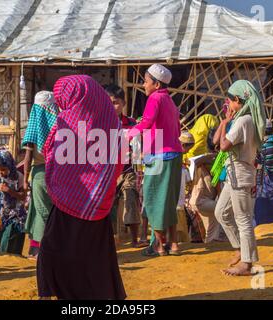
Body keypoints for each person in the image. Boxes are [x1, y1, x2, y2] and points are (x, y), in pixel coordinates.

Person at [37, 75, 126, 300]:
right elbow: (117, 162)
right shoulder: (111, 122)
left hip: (69, 203)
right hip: (98, 202)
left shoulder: (67, 122)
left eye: (62, 100)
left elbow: (51, 155)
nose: (61, 105)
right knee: (94, 258)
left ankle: (53, 294)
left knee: (52, 250)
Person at [128, 64, 183, 257]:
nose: (143, 85)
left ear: (157, 84)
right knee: (168, 202)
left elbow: (146, 122)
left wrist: (126, 136)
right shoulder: (169, 101)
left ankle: (159, 246)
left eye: (145, 81)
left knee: (153, 201)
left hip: (159, 157)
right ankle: (174, 244)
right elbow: (176, 129)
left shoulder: (155, 98)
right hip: (175, 154)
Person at [214, 80, 266, 276]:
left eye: (230, 101)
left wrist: (225, 122)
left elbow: (224, 146)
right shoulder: (248, 120)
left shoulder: (243, 121)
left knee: (243, 219)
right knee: (221, 212)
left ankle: (247, 262)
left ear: (237, 100)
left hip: (240, 175)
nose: (228, 105)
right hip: (235, 175)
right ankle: (240, 249)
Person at [105, 84, 146, 248]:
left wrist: (138, 171)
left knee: (131, 198)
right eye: (109, 102)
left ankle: (135, 239)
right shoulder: (100, 123)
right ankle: (110, 239)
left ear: (123, 103)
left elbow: (137, 149)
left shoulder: (131, 123)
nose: (113, 106)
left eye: (116, 102)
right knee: (106, 206)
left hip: (128, 170)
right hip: (107, 173)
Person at [22, 91, 58, 259]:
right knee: (51, 210)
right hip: (59, 172)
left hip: (40, 174)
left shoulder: (33, 129)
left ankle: (44, 251)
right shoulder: (61, 127)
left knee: (43, 211)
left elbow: (28, 157)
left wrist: (25, 178)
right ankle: (42, 248)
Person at [0, 149, 27, 255]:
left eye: (3, 169)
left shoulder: (18, 177)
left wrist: (10, 191)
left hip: (15, 219)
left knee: (8, 249)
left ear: (10, 166)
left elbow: (23, 196)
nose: (1, 172)